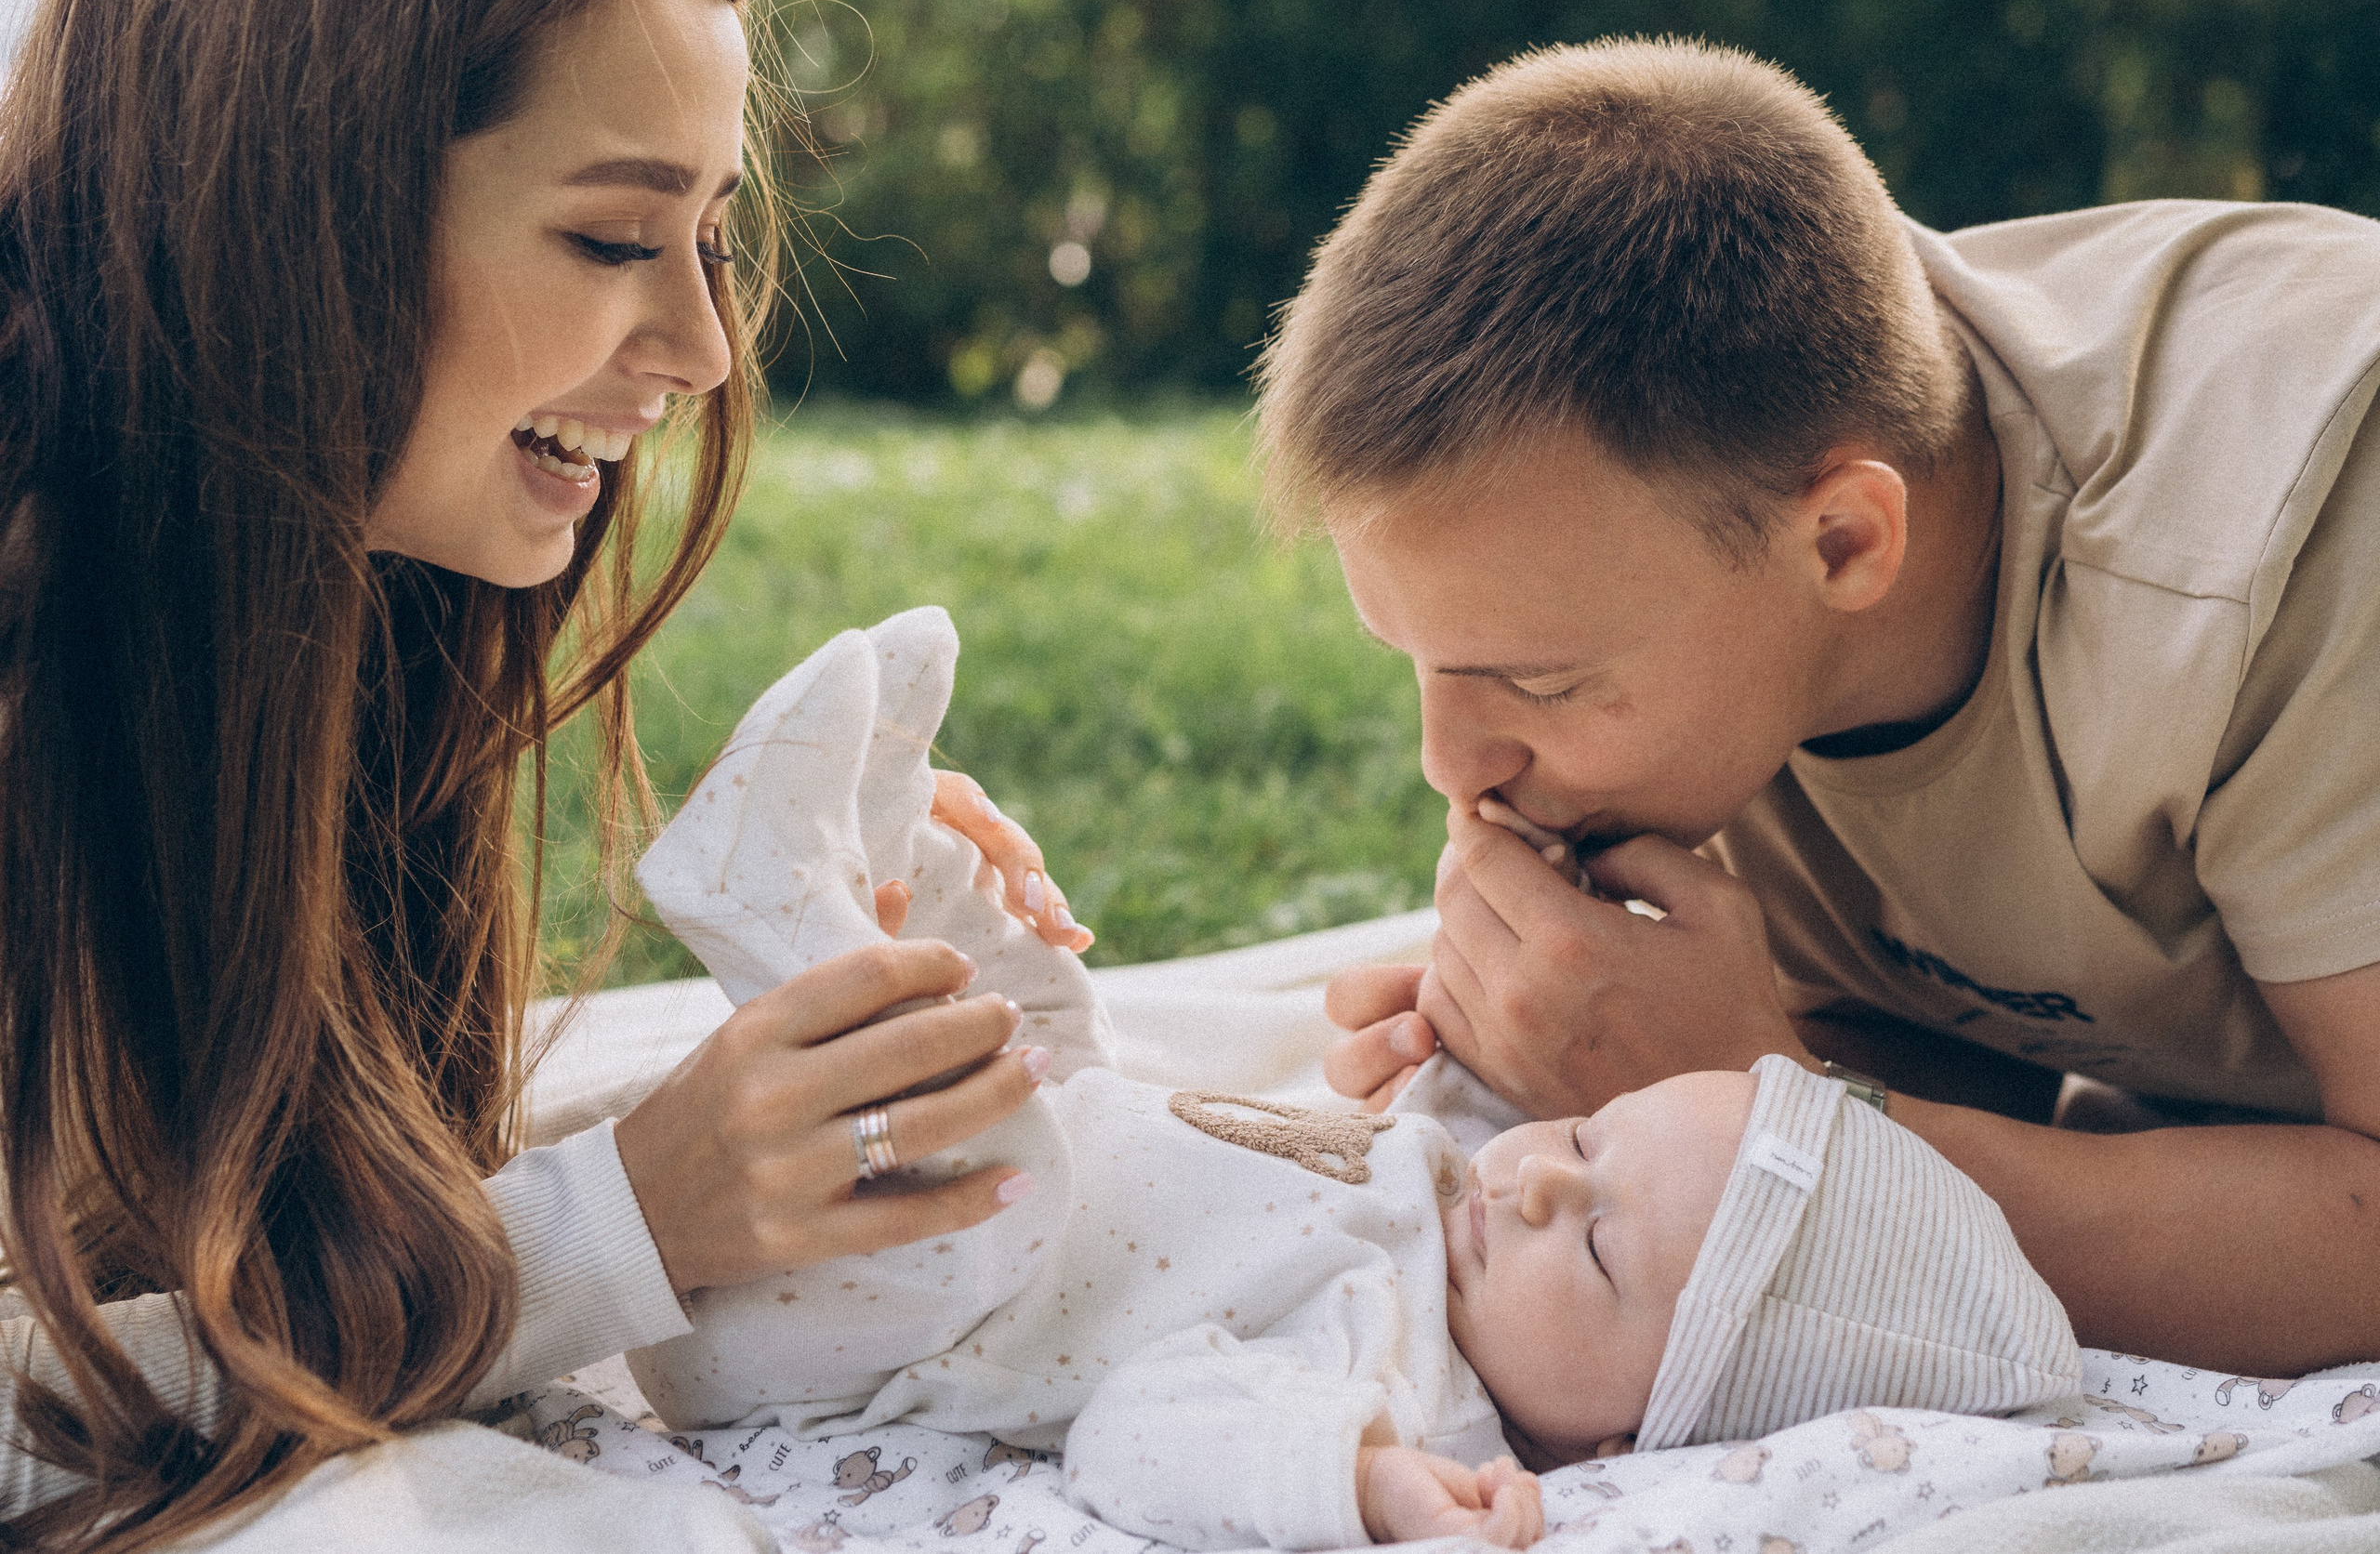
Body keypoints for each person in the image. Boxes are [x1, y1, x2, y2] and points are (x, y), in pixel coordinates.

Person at [0, 0, 1085, 1544]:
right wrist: (614, 1226)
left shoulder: (313, 600)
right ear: (292, 212)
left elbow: (227, 1222)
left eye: (711, 238)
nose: (706, 349)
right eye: (613, 238)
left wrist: (787, 1088)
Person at [1254, 36, 2380, 1378]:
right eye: (1419, 658)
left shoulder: (2282, 550)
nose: (1452, 766)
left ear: (1846, 541)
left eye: (1542, 681)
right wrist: (1629, 1076)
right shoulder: (1713, 517)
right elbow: (1969, 1034)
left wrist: (1791, 1130)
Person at [617, 604, 2078, 1551]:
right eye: (1588, 1136)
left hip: (850, 1322)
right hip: (992, 1185)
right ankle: (893, 846)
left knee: (1004, 1155)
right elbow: (1486, 1108)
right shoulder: (1471, 1201)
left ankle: (775, 916)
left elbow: (1139, 1436)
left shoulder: (1413, 1387)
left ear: (1625, 1436)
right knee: (1049, 1021)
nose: (1539, 1177)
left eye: (1600, 1247)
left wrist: (1359, 1477)